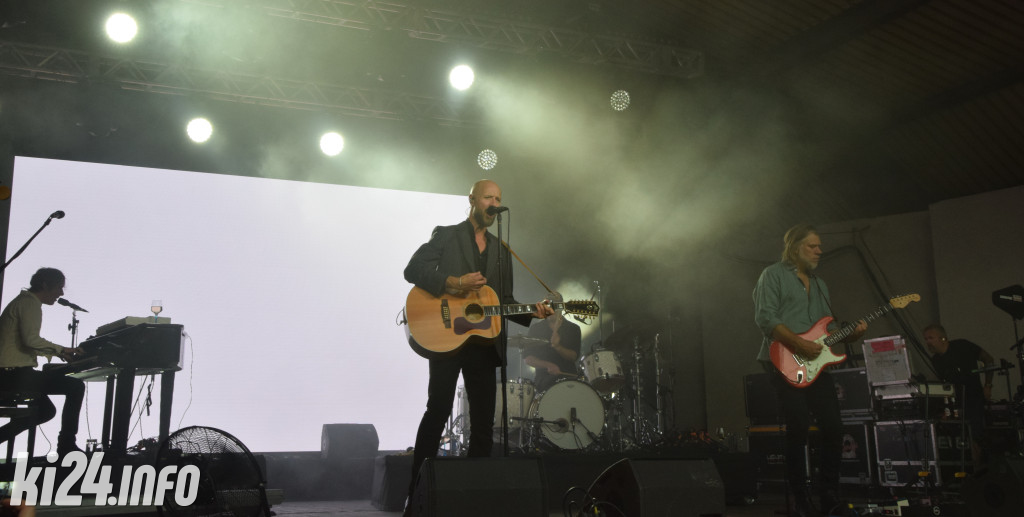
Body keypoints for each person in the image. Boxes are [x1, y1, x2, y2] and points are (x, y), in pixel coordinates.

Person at [403, 180, 553, 510]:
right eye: (488, 197)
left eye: (499, 198)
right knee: (438, 410)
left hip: (484, 343)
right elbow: (413, 269)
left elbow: (506, 300)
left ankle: (474, 497)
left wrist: (534, 312)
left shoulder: (502, 249)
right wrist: (453, 282)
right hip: (446, 336)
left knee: (484, 422)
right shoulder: (447, 234)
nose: (494, 203)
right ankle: (417, 494)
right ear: (472, 200)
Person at [753, 224, 867, 517]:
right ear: (794, 248)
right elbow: (766, 317)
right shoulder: (773, 275)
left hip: (816, 364)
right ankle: (800, 497)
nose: (819, 251)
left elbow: (825, 330)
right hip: (784, 359)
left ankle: (829, 493)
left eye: (819, 246)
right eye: (812, 246)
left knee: (834, 427)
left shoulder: (820, 284)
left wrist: (849, 334)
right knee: (798, 426)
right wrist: (797, 344)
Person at [0, 268, 85, 455]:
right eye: (59, 288)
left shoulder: (23, 301)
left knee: (46, 411)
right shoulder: (30, 304)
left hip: (12, 373)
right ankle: (67, 446)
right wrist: (61, 350)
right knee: (76, 387)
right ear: (45, 285)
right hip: (12, 375)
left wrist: (60, 353)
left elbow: (25, 343)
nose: (61, 294)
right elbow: (30, 340)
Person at [922, 323, 994, 470]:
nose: (928, 342)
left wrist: (988, 385)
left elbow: (988, 359)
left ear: (943, 338)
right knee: (959, 437)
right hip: (955, 403)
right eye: (926, 339)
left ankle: (978, 472)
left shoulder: (962, 346)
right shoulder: (936, 360)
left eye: (931, 338)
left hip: (973, 398)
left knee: (974, 436)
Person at [524, 292, 581, 392]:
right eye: (546, 306)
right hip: (544, 382)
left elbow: (573, 357)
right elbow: (528, 359)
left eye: (554, 306)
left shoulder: (573, 329)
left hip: (569, 381)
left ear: (561, 308)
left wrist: (558, 347)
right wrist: (548, 365)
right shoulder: (536, 329)